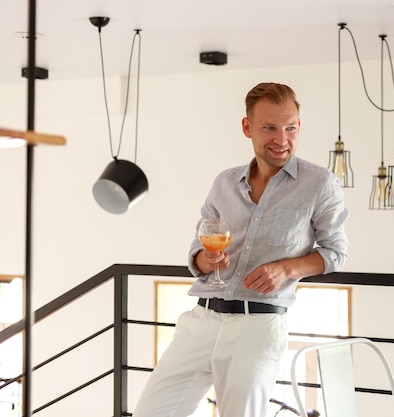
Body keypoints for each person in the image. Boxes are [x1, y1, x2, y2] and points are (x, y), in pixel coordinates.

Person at [133, 82, 349, 417]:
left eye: (290, 128)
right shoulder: (224, 183)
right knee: (151, 412)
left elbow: (335, 251)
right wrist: (205, 259)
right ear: (247, 127)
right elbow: (199, 244)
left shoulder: (319, 184)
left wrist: (288, 269)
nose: (282, 139)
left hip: (257, 326)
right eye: (269, 128)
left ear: (299, 126)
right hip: (201, 320)